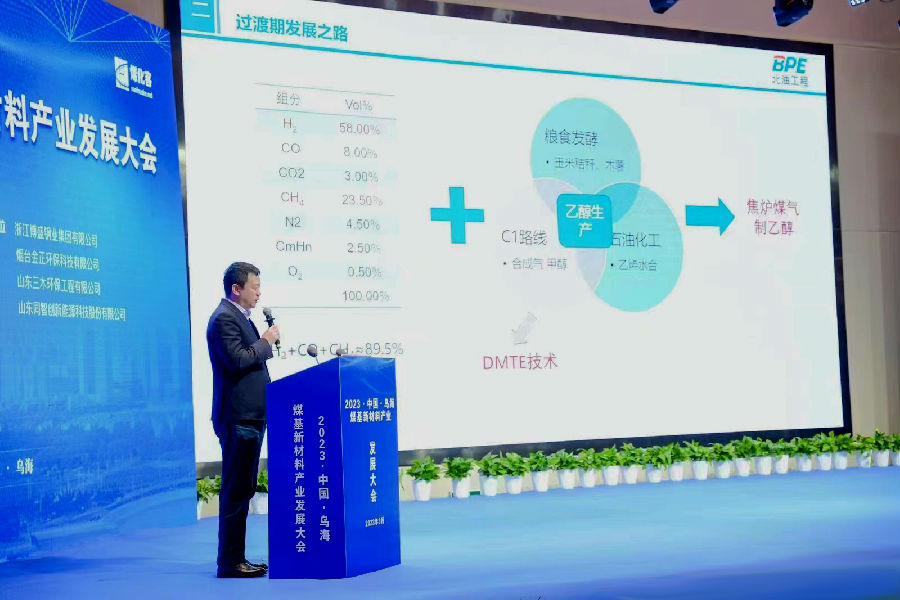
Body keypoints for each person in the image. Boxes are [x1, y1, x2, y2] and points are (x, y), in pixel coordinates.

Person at [207, 262, 280, 578]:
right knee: (236, 490)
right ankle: (230, 561)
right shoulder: (224, 318)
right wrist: (266, 341)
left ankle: (236, 557)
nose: (259, 293)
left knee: (244, 489)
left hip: (250, 415)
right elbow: (238, 360)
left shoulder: (240, 317)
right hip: (238, 416)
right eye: (255, 287)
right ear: (236, 288)